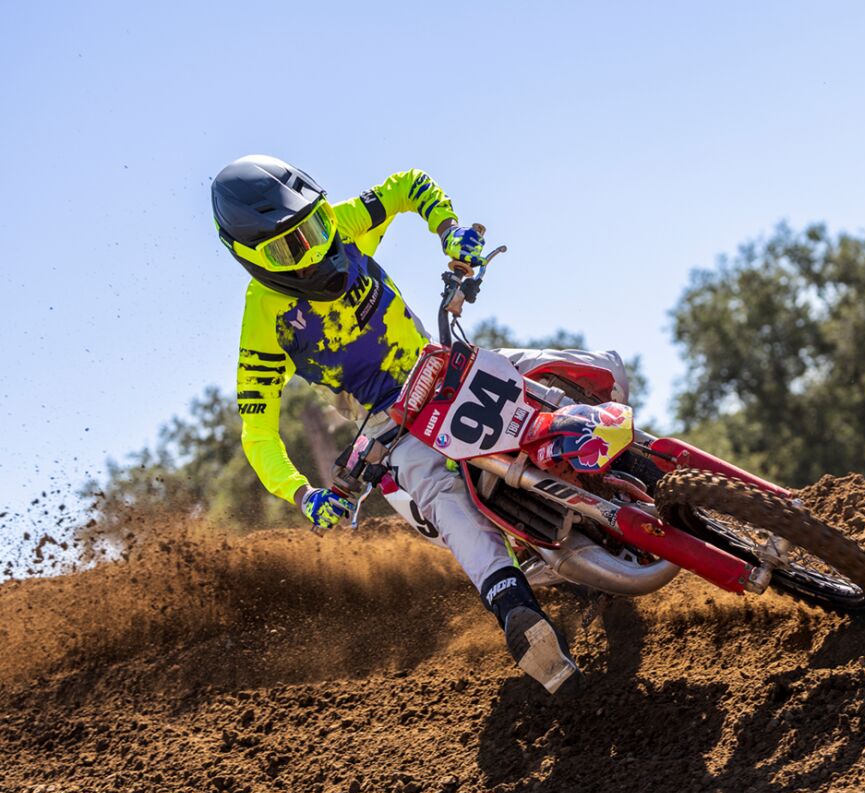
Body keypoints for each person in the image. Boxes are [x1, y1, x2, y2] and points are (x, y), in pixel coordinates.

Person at [211, 155, 628, 693]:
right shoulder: (264, 325)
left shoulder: (342, 223)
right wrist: (303, 494)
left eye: (314, 227)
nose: (314, 249)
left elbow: (407, 185)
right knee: (443, 495)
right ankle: (518, 614)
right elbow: (258, 433)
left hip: (444, 366)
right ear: (247, 256)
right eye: (288, 248)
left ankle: (636, 466)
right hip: (392, 425)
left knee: (593, 370)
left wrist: (449, 231)